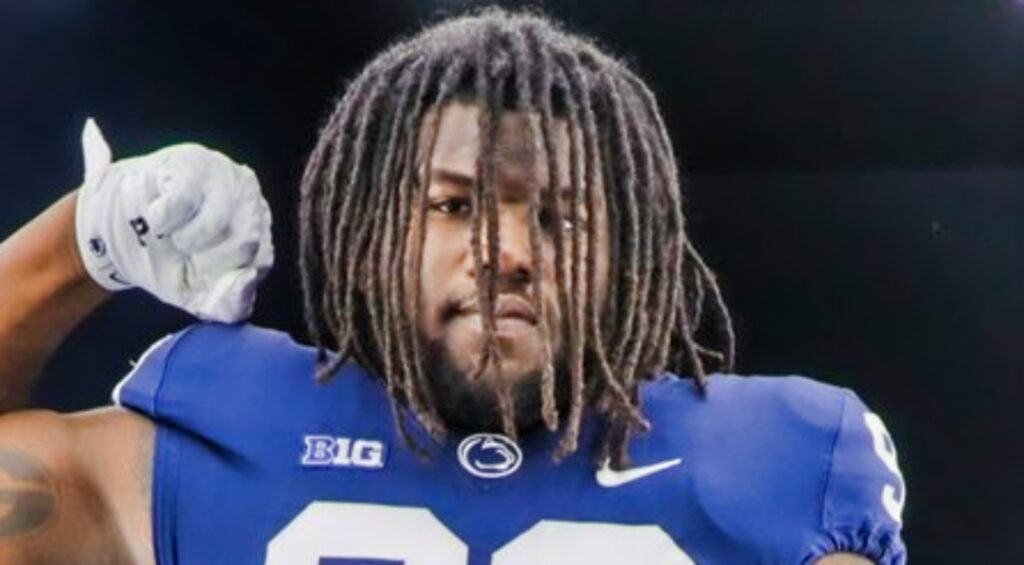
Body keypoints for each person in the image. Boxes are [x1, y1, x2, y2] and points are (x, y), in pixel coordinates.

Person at [0, 8, 906, 564]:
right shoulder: (212, 433)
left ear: (625, 263)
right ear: (373, 233)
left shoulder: (781, 460)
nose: (508, 249)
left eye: (562, 218)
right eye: (453, 204)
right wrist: (89, 238)